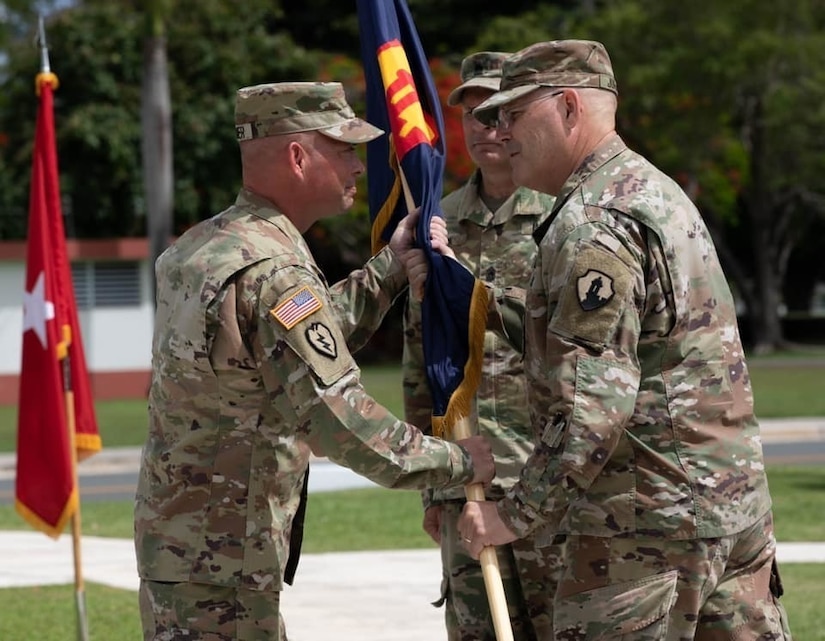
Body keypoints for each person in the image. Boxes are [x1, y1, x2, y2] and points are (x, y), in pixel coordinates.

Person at [134, 81, 495, 641]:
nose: (357, 166)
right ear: (298, 157)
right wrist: (456, 461)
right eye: (344, 149)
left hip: (185, 545)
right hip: (226, 555)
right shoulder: (274, 271)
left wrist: (391, 266)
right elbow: (338, 420)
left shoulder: (201, 246)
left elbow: (281, 351)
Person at [456, 40, 793, 639]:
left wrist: (514, 515)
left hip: (643, 535)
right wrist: (469, 294)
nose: (498, 132)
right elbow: (639, 344)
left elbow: (590, 408)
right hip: (729, 514)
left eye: (512, 113)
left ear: (566, 109)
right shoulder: (652, 191)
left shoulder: (593, 221)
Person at [401, 52, 561, 641]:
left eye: (497, 113)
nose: (486, 129)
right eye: (472, 115)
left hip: (547, 476)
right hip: (464, 474)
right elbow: (421, 359)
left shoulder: (562, 213)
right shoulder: (438, 225)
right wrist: (430, 482)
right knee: (477, 629)